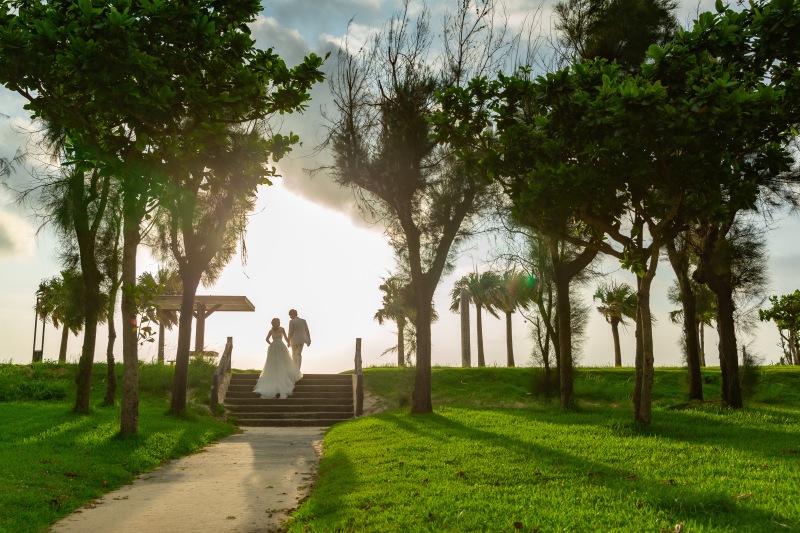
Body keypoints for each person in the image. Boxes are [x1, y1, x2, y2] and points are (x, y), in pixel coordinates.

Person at [253, 318, 303, 399]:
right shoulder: (280, 329)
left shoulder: (272, 331)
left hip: (275, 346)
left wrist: (271, 344)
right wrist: (288, 342)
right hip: (279, 345)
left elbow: (267, 339)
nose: (279, 323)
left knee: (279, 361)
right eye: (278, 322)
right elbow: (286, 338)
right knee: (282, 361)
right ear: (277, 323)